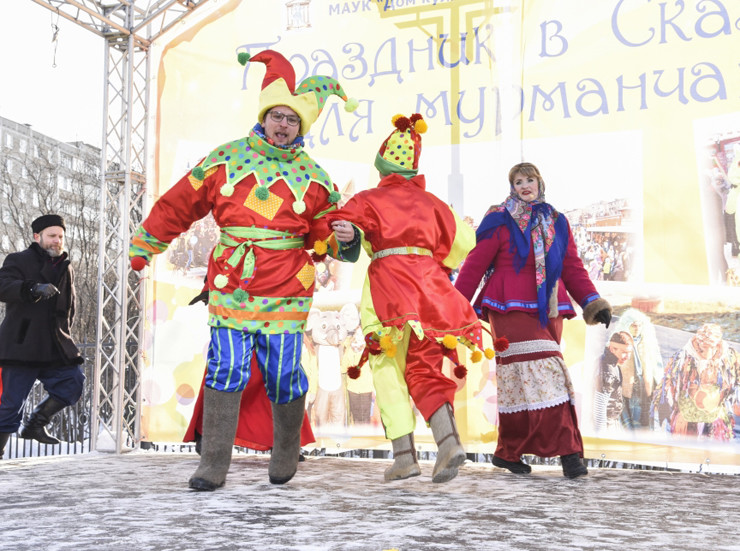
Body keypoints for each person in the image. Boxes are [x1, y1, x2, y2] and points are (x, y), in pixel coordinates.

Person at [128, 49, 360, 491]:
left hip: (287, 287)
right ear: (264, 117)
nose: (283, 125)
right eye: (277, 116)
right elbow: (179, 204)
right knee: (226, 368)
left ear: (301, 127)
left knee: (284, 373)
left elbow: (324, 233)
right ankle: (214, 462)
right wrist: (146, 245)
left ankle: (286, 448)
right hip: (233, 282)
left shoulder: (315, 177)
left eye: (292, 120)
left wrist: (344, 238)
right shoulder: (226, 160)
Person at [325, 113, 494, 483]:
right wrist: (432, 256)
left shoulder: (369, 199)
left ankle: (404, 457)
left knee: (387, 369)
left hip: (388, 293)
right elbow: (464, 242)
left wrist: (351, 236)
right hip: (431, 295)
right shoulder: (435, 204)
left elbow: (343, 230)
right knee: (424, 368)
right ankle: (448, 441)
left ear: (382, 166)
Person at [454, 162, 612, 479]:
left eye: (529, 179)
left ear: (540, 182)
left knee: (519, 382)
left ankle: (508, 452)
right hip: (509, 307)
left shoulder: (557, 220)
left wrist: (591, 301)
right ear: (511, 187)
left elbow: (571, 266)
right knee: (545, 376)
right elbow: (475, 263)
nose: (524, 186)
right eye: (518, 181)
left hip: (548, 308)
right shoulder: (500, 217)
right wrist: (455, 304)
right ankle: (569, 454)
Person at [0, 214, 85, 459]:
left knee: (73, 381)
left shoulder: (65, 265)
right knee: (9, 405)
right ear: (37, 236)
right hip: (21, 345)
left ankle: (36, 423)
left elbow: (69, 306)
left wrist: (66, 333)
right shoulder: (18, 260)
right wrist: (32, 288)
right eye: (52, 236)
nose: (57, 240)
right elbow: (2, 286)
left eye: (60, 236)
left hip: (54, 344)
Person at [651, 323, 740, 440]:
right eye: (701, 348)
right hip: (688, 416)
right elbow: (667, 381)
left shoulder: (729, 357)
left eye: (708, 348)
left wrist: (735, 402)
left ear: (717, 345)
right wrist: (659, 401)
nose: (703, 352)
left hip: (715, 414)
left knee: (716, 446)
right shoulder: (683, 357)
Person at [610, 308, 663, 428]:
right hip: (628, 385)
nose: (637, 328)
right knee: (632, 415)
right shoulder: (619, 341)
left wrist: (660, 382)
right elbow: (610, 362)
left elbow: (657, 363)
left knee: (647, 416)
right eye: (634, 325)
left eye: (639, 325)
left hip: (646, 384)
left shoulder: (648, 341)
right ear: (627, 325)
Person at [593, 331, 633, 432]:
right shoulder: (608, 371)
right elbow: (599, 409)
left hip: (611, 422)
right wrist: (601, 437)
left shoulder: (611, 364)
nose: (627, 357)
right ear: (612, 349)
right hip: (606, 426)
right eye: (624, 352)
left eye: (629, 352)